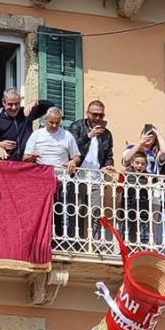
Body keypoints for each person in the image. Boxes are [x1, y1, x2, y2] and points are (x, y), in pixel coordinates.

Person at [24, 107, 81, 240]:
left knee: (64, 213)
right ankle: (42, 241)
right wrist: (32, 155)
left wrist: (73, 161)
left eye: (57, 122)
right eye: (51, 122)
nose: (54, 125)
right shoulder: (37, 135)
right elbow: (24, 158)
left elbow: (77, 156)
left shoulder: (67, 135)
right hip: (41, 180)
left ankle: (65, 243)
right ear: (45, 120)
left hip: (63, 179)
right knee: (43, 212)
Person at [68, 100, 115, 244]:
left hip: (96, 177)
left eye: (100, 115)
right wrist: (89, 135)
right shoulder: (77, 126)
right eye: (94, 114)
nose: (97, 118)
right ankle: (75, 242)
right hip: (78, 176)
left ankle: (94, 242)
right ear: (87, 113)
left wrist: (108, 166)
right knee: (77, 210)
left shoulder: (106, 134)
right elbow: (70, 145)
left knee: (96, 211)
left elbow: (108, 155)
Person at [0, 88, 55, 161]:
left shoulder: (26, 113)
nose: (14, 107)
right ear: (4, 103)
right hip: (8, 165)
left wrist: (36, 102)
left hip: (27, 163)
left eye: (17, 104)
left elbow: (51, 106)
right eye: (10, 104)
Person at [124, 151, 152, 245]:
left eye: (142, 164)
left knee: (144, 235)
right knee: (126, 232)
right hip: (128, 208)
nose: (139, 166)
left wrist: (148, 181)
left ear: (146, 165)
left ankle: (143, 252)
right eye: (137, 163)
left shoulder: (148, 176)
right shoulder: (127, 174)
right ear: (132, 163)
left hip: (143, 210)